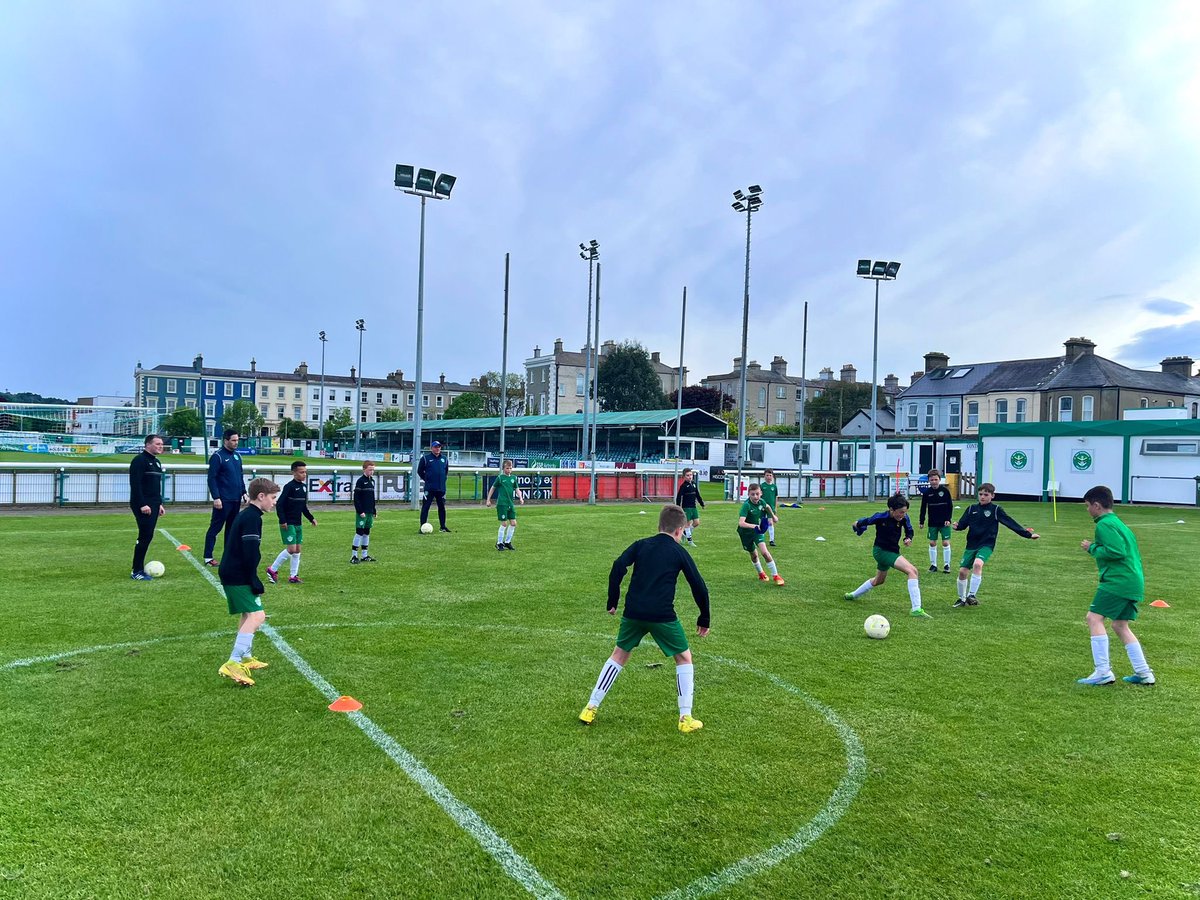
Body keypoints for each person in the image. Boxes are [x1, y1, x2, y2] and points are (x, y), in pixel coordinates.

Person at [579, 504, 710, 733]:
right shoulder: (679, 551)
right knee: (684, 658)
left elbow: (618, 565)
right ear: (679, 531)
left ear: (659, 526)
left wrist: (613, 599)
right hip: (662, 615)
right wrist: (704, 617)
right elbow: (698, 584)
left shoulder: (641, 545)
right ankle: (685, 718)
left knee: (618, 655)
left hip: (634, 612)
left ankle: (590, 707)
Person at [1077, 485, 1155, 686]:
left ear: (1097, 505)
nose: (1087, 510)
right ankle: (1144, 672)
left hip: (1118, 581)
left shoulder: (1104, 524)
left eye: (1087, 506)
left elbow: (1116, 551)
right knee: (1120, 625)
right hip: (1133, 581)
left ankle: (1103, 671)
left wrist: (1092, 547)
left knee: (1093, 618)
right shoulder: (1118, 523)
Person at [217, 477, 281, 686]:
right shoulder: (252, 518)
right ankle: (233, 662)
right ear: (261, 496)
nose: (274, 502)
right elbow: (250, 552)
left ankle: (246, 657)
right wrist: (253, 579)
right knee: (257, 615)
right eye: (273, 498)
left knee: (247, 614)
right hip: (237, 574)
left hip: (233, 572)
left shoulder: (248, 515)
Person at [951, 482, 1039, 607]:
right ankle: (961, 599)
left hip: (987, 544)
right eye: (980, 494)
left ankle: (971, 595)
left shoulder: (996, 510)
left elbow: (1010, 522)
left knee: (977, 564)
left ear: (992, 496)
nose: (982, 497)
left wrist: (1028, 535)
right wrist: (957, 526)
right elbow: (963, 524)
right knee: (962, 572)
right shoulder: (971, 509)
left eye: (986, 495)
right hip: (971, 544)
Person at [845, 493, 930, 618]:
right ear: (891, 509)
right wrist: (857, 524)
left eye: (905, 512)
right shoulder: (880, 517)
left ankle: (852, 595)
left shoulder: (904, 518)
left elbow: (909, 530)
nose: (903, 515)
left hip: (893, 551)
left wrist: (908, 538)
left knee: (878, 581)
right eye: (900, 512)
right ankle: (916, 609)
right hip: (881, 551)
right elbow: (866, 521)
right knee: (912, 571)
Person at [203, 429, 247, 567]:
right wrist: (216, 497)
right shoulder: (218, 457)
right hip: (223, 500)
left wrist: (244, 492)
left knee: (232, 529)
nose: (236, 443)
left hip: (236, 499)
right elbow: (212, 478)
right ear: (226, 440)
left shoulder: (237, 456)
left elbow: (240, 476)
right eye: (233, 440)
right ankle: (208, 557)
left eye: (237, 440)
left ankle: (229, 556)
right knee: (215, 528)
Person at [268, 460, 317, 584]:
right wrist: (282, 520)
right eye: (301, 472)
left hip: (298, 523)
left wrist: (311, 518)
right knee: (291, 549)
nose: (304, 474)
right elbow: (280, 504)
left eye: (305, 472)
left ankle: (293, 576)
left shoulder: (304, 487)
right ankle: (272, 569)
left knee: (297, 550)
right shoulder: (289, 487)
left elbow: (303, 507)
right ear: (294, 473)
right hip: (289, 523)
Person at [128, 434, 166, 580]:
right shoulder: (139, 460)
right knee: (144, 536)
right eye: (157, 444)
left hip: (154, 504)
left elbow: (155, 486)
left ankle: (138, 568)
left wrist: (159, 503)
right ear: (148, 445)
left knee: (148, 536)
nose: (160, 446)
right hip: (143, 505)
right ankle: (136, 571)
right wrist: (142, 504)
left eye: (161, 444)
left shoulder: (156, 462)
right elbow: (135, 485)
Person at [736, 483, 785, 585]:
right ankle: (761, 573)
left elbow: (767, 507)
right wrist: (754, 526)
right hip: (745, 533)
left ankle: (776, 575)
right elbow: (741, 523)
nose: (755, 497)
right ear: (748, 494)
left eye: (757, 494)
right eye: (752, 494)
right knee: (754, 555)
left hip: (757, 531)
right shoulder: (746, 505)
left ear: (761, 493)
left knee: (765, 552)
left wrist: (773, 516)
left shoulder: (761, 501)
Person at [918, 468, 954, 573]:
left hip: (944, 522)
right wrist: (921, 521)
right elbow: (923, 508)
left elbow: (950, 506)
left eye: (936, 479)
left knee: (945, 543)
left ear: (939, 480)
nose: (934, 481)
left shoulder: (945, 491)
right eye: (932, 480)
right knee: (932, 543)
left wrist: (948, 519)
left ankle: (947, 565)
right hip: (932, 522)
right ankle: (933, 565)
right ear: (929, 480)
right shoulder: (927, 493)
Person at [486, 458, 524, 550]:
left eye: (510, 468)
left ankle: (507, 542)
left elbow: (517, 489)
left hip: (510, 503)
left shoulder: (513, 478)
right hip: (502, 504)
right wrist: (488, 500)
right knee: (504, 524)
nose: (509, 470)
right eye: (507, 468)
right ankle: (499, 543)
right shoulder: (500, 478)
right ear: (503, 468)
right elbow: (493, 488)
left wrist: (520, 497)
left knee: (513, 523)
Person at [417, 440, 451, 533]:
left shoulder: (444, 459)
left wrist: (442, 480)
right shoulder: (425, 458)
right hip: (430, 488)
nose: (438, 448)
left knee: (442, 507)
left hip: (441, 488)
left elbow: (446, 471)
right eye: (436, 447)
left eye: (439, 447)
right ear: (431, 448)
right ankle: (422, 527)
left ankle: (443, 527)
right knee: (426, 507)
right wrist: (427, 480)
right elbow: (419, 471)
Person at [351, 460, 378, 563]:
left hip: (369, 511)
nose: (372, 472)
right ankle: (353, 556)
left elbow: (372, 497)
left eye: (373, 470)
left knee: (367, 532)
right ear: (364, 469)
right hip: (362, 512)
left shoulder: (372, 481)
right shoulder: (360, 481)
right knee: (359, 532)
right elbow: (356, 498)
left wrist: (374, 510)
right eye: (370, 470)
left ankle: (364, 555)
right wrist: (360, 510)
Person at [674, 467, 705, 547]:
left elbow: (697, 495)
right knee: (687, 524)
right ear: (684, 477)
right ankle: (690, 541)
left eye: (691, 475)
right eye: (687, 475)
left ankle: (685, 532)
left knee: (696, 522)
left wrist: (701, 503)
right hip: (686, 507)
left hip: (693, 507)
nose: (690, 477)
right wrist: (678, 507)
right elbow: (679, 497)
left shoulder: (694, 484)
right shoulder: (683, 486)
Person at [760, 469, 779, 546]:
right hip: (763, 507)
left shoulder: (774, 487)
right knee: (763, 522)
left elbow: (776, 498)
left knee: (770, 523)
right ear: (764, 476)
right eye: (767, 475)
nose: (769, 477)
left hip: (771, 508)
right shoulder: (762, 486)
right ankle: (761, 539)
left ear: (772, 477)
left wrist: (775, 508)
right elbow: (759, 497)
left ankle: (772, 540)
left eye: (770, 475)